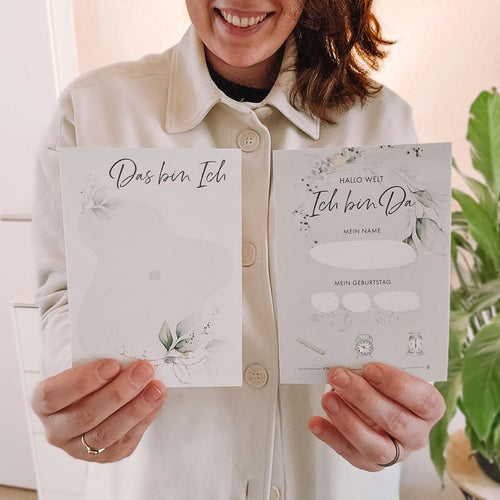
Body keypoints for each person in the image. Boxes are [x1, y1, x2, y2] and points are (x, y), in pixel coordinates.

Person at [31, 1, 446, 499]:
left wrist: (402, 421)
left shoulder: (383, 122)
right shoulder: (92, 112)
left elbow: (401, 331)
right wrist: (81, 402)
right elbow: (63, 297)